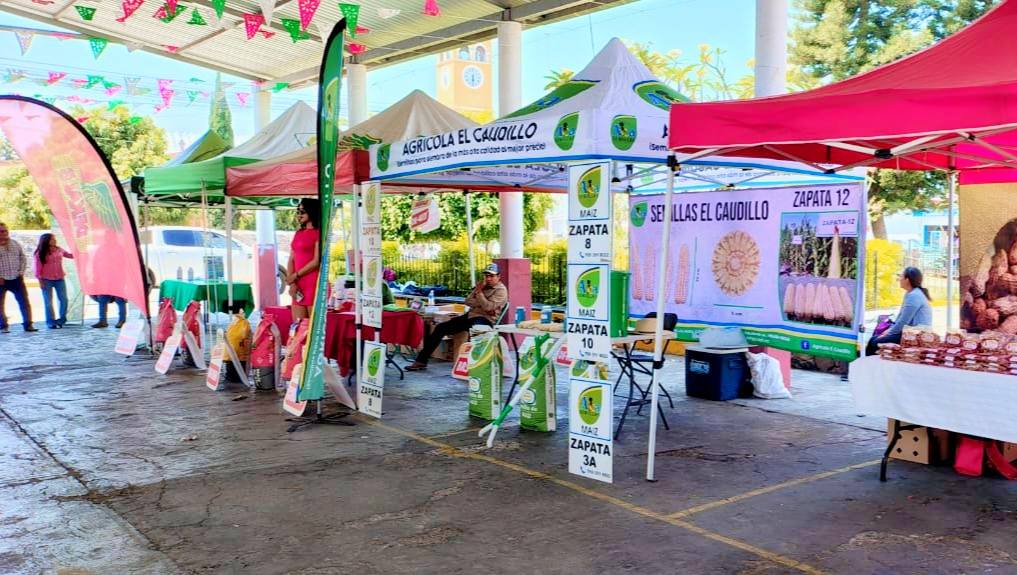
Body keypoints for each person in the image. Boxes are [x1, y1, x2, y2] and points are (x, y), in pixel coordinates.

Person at [406, 263, 508, 371]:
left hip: (486, 319)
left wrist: (479, 294)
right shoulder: (481, 286)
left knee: (476, 331)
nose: (488, 279)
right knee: (441, 328)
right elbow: (467, 301)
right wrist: (481, 301)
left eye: (491, 276)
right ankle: (421, 361)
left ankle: (477, 365)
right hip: (471, 316)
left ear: (498, 277)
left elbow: (488, 307)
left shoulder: (500, 290)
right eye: (486, 276)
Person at [865, 266, 933, 356]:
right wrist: (889, 330)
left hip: (916, 336)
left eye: (901, 276)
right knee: (873, 339)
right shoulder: (911, 293)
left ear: (907, 280)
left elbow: (903, 322)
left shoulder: (914, 296)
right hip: (909, 332)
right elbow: (900, 317)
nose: (899, 279)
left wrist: (889, 333)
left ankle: (871, 367)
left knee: (875, 343)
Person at [287, 198, 321, 321]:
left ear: (312, 212)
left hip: (313, 283)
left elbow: (316, 261)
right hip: (298, 284)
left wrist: (295, 275)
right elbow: (292, 258)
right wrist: (292, 282)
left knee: (312, 327)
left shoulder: (319, 233)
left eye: (303, 211)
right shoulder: (298, 233)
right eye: (298, 211)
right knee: (297, 328)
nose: (299, 214)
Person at [0, 222, 36, 333]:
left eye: (5, 230)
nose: (4, 233)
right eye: (1, 231)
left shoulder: (15, 244)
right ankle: (3, 326)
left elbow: (23, 258)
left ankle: (28, 325)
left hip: (16, 278)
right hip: (1, 280)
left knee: (24, 302)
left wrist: (21, 272)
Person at [34, 233, 74, 329]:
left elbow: (70, 255)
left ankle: (61, 320)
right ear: (46, 241)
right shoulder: (40, 253)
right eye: (52, 239)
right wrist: (40, 281)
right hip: (46, 280)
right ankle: (50, 322)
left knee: (64, 300)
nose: (55, 240)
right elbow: (37, 269)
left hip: (59, 278)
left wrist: (78, 250)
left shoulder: (59, 249)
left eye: (54, 239)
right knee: (48, 302)